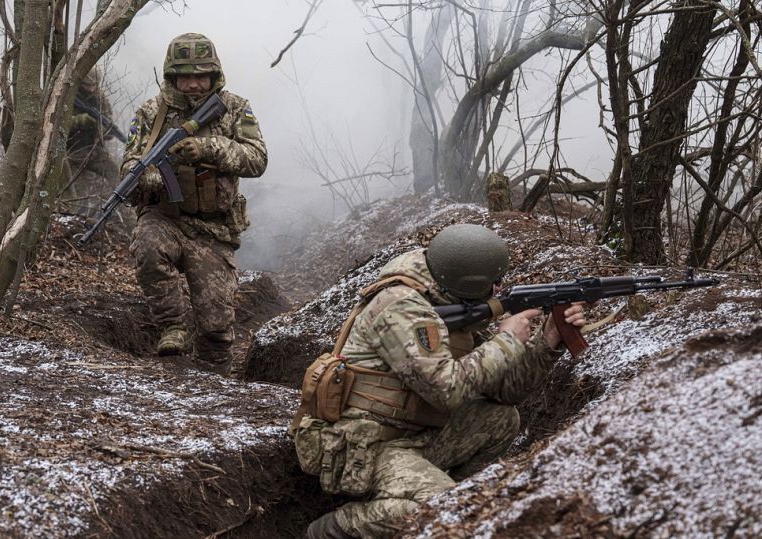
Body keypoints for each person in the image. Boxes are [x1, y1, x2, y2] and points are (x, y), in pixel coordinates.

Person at [291, 224, 587, 538]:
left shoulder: (445, 298)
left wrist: (548, 342)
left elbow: (505, 391)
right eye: (494, 282)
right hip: (365, 446)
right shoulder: (400, 307)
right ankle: (331, 529)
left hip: (414, 434)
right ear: (469, 283)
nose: (499, 288)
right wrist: (507, 341)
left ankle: (449, 502)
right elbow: (447, 390)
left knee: (501, 419)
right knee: (443, 510)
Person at [122, 33, 267, 371]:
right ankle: (172, 326)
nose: (192, 84)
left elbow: (257, 158)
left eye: (200, 76)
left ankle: (215, 379)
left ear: (214, 74)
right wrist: (145, 175)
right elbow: (129, 161)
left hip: (213, 229)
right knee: (147, 246)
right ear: (171, 77)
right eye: (184, 77)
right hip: (166, 218)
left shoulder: (234, 108)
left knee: (216, 327)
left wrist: (209, 148)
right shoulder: (151, 113)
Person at [61, 68, 121, 219]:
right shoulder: (69, 95)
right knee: (79, 193)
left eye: (94, 85)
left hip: (94, 151)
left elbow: (108, 129)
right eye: (88, 85)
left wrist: (101, 129)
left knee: (114, 172)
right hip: (70, 154)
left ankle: (123, 207)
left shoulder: (100, 99)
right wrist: (78, 121)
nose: (91, 89)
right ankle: (76, 221)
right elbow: (57, 125)